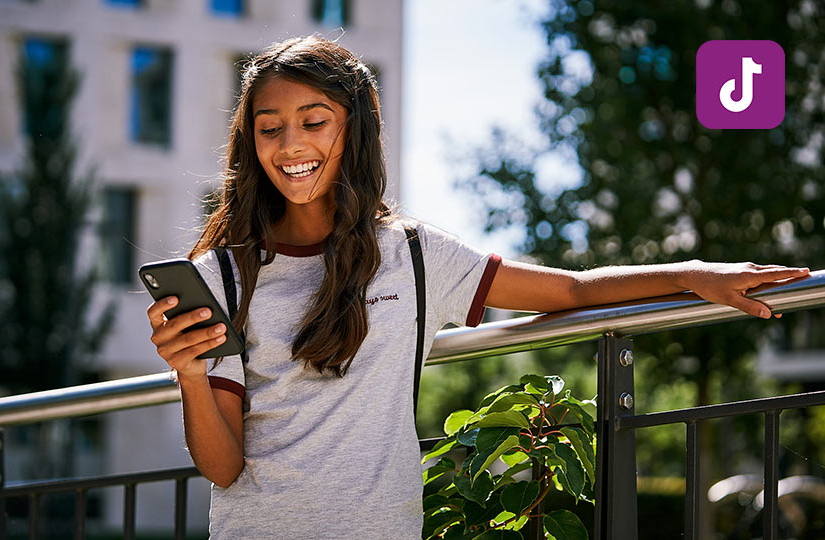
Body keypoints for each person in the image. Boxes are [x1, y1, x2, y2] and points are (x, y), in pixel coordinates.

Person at [146, 35, 808, 539]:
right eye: (270, 126)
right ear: (250, 139)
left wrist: (695, 275)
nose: (291, 143)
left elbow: (570, 291)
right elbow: (223, 467)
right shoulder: (221, 277)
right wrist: (189, 375)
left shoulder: (413, 253)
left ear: (353, 127)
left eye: (313, 120)